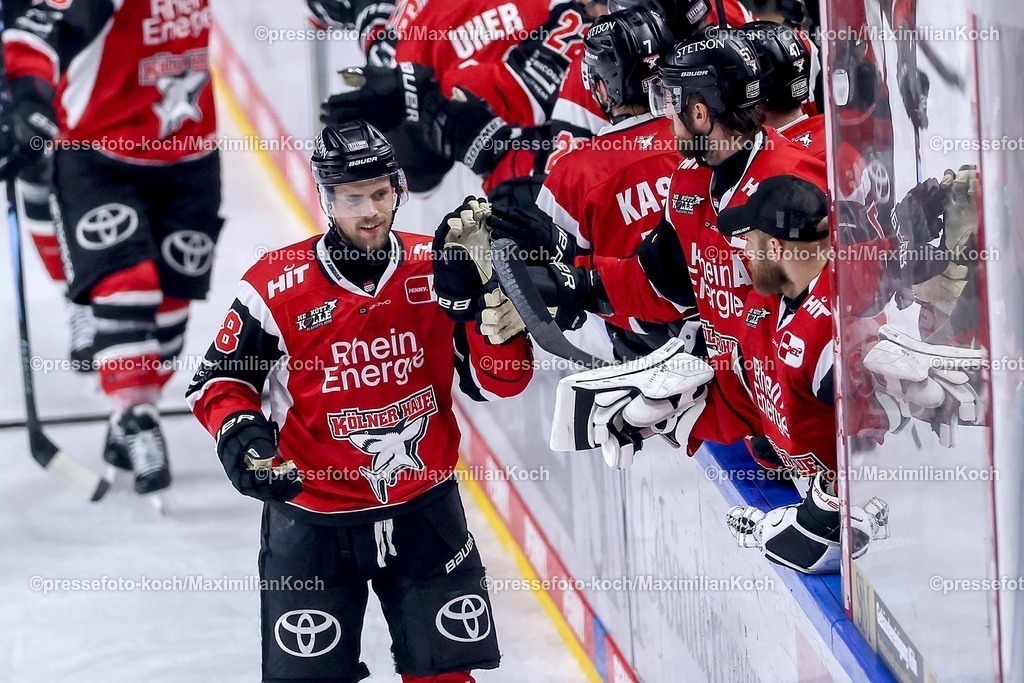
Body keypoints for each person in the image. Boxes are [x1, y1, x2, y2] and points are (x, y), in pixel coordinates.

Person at [186, 121, 533, 682]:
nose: (368, 211)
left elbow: (500, 383)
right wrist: (245, 440)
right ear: (325, 197)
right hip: (314, 521)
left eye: (378, 193)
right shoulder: (277, 285)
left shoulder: (437, 269)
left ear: (398, 189)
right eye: (350, 197)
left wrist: (498, 325)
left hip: (425, 511)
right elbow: (218, 382)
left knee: (448, 675)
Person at [549, 175, 889, 573]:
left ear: (776, 247)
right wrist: (663, 416)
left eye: (750, 239)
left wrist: (811, 512)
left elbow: (876, 459)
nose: (742, 251)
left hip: (879, 546)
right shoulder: (764, 308)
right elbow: (749, 401)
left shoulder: (838, 330)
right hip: (817, 496)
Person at [0, 0, 222, 497]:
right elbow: (37, 30)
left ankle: (132, 408)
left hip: (191, 153)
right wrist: (26, 100)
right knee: (127, 283)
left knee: (171, 311)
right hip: (99, 149)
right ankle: (133, 410)